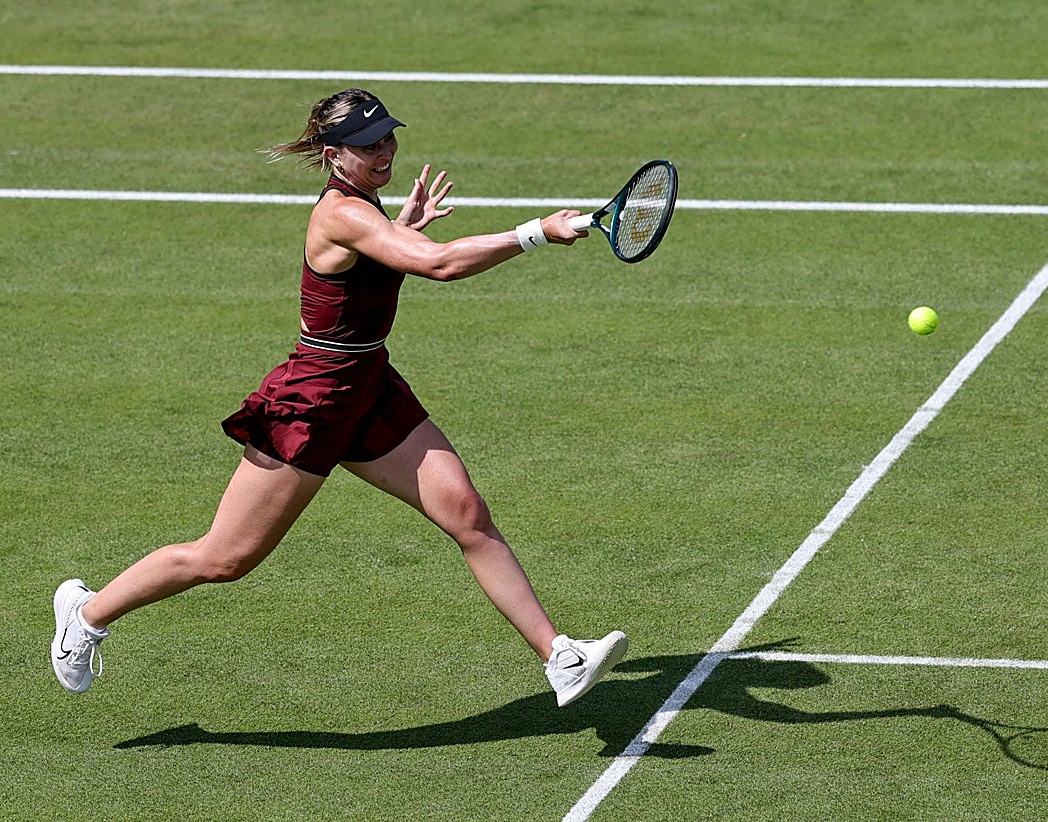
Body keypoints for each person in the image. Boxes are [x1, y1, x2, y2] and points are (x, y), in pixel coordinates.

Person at [51, 88, 627, 707]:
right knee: (225, 558)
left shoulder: (367, 206)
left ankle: (559, 657)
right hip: (315, 398)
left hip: (368, 386)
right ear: (333, 155)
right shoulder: (342, 212)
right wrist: (536, 231)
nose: (383, 152)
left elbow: (365, 272)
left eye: (386, 138)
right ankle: (85, 615)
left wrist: (398, 230)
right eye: (366, 145)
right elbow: (439, 267)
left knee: (466, 511)